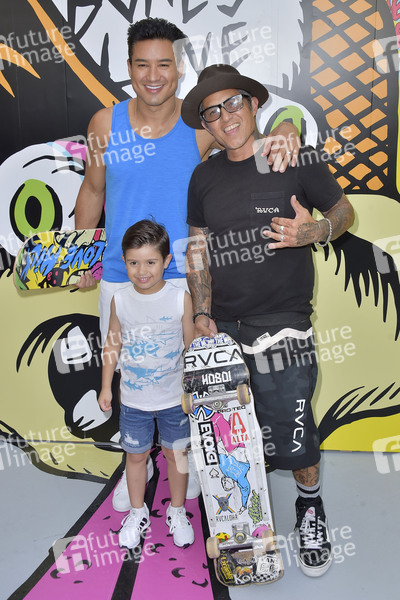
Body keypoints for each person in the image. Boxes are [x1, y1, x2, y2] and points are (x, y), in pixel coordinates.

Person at [74, 17, 299, 509]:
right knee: (133, 377)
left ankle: (188, 459)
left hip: (182, 279)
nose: (153, 76)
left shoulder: (200, 125)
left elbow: (252, 138)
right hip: (121, 277)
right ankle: (134, 462)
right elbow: (92, 190)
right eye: (142, 64)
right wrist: (79, 256)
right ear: (128, 67)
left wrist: (286, 128)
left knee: (187, 381)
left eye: (164, 64)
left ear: (179, 68)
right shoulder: (103, 124)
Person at [181, 64, 355, 577]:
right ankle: (240, 525)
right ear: (206, 124)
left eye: (233, 103)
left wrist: (315, 231)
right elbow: (197, 249)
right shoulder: (203, 176)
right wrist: (202, 311)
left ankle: (310, 508)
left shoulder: (292, 157)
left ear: (254, 103)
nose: (225, 117)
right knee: (230, 443)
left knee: (295, 435)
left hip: (283, 325)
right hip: (222, 329)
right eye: (212, 112)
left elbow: (344, 212)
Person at [98, 219, 195, 548]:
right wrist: (105, 386)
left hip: (174, 400)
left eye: (150, 262)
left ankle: (177, 511)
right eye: (133, 263)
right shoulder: (120, 299)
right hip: (133, 402)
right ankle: (137, 512)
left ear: (166, 261)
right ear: (124, 261)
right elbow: (112, 344)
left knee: (177, 455)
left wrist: (194, 389)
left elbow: (191, 347)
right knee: (136, 458)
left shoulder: (180, 298)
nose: (142, 271)